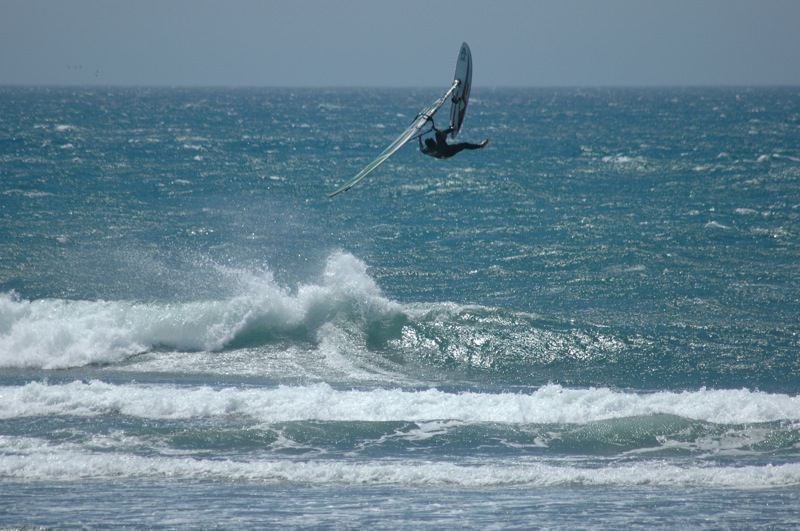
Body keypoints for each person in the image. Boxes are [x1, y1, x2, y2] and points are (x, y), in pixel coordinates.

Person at [418, 123, 488, 159]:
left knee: (439, 136)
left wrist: (419, 138)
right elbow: (441, 134)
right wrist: (435, 129)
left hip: (442, 155)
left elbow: (421, 148)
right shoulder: (439, 145)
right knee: (464, 145)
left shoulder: (426, 150)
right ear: (434, 143)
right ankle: (481, 146)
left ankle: (452, 129)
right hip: (448, 152)